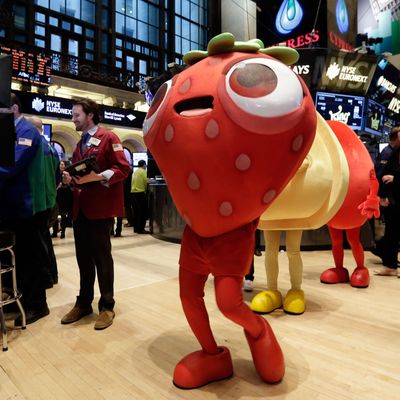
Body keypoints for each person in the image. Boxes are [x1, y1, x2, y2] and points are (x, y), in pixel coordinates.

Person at [60, 99, 130, 330]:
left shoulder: (109, 138)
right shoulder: (81, 143)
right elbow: (82, 173)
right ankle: (84, 303)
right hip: (81, 210)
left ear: (90, 115)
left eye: (76, 115)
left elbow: (123, 169)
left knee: (102, 259)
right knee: (83, 260)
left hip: (100, 210)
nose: (73, 119)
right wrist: (71, 179)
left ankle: (107, 306)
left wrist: (97, 177)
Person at [0, 94, 51, 324]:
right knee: (17, 260)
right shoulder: (10, 131)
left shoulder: (27, 131)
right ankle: (18, 302)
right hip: (11, 207)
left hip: (27, 206)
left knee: (31, 259)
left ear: (14, 108)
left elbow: (12, 166)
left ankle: (37, 305)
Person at [27, 116, 60, 287]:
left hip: (36, 201)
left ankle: (45, 278)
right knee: (45, 239)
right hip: (50, 200)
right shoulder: (52, 148)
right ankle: (52, 274)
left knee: (37, 243)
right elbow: (58, 177)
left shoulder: (33, 145)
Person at [371, 127, 400, 266]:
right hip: (389, 198)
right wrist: (381, 196)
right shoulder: (388, 152)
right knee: (391, 230)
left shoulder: (393, 152)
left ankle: (386, 254)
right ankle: (385, 254)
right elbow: (380, 177)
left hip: (392, 197)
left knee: (392, 231)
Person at [53, 160, 73, 239]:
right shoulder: (55, 174)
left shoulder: (67, 174)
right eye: (60, 164)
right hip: (56, 197)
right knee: (55, 215)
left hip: (64, 198)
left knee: (63, 215)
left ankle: (63, 232)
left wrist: (62, 186)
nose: (61, 166)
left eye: (62, 164)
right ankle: (55, 232)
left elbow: (70, 186)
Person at [131, 160, 149, 234]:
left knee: (136, 212)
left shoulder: (135, 172)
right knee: (142, 212)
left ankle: (136, 228)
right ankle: (141, 229)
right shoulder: (144, 172)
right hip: (140, 193)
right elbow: (146, 182)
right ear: (144, 165)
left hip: (133, 193)